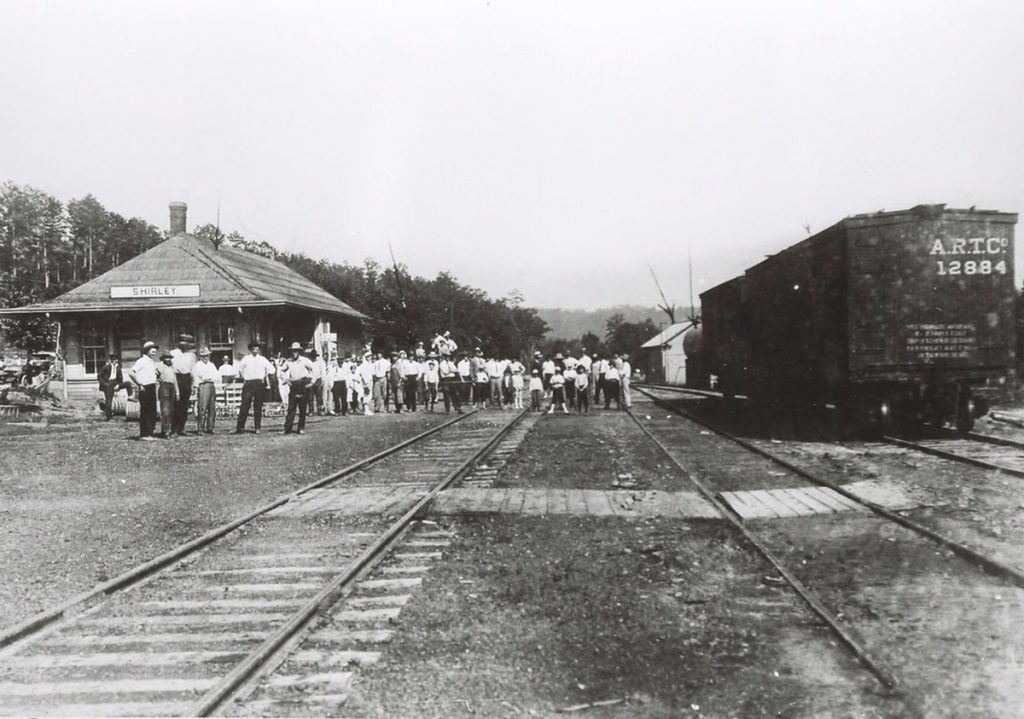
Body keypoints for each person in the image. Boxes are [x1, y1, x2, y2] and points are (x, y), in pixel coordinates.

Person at [235, 341, 275, 434]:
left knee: (258, 406)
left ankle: (257, 427)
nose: (255, 350)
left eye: (257, 348)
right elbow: (239, 368)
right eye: (253, 348)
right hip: (248, 383)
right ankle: (240, 427)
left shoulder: (262, 359)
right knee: (244, 405)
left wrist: (265, 375)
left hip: (259, 383)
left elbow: (272, 369)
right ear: (250, 349)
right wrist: (243, 377)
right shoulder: (246, 359)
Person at [128, 342, 160, 440]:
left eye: (155, 349)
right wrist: (140, 384)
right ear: (146, 350)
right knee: (146, 411)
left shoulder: (151, 361)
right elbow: (131, 373)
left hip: (152, 387)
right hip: (145, 387)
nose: (154, 351)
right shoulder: (141, 361)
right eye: (152, 349)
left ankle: (150, 433)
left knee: (152, 410)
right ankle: (144, 434)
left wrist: (157, 374)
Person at [282, 342, 314, 433]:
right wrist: (286, 380)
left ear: (299, 351)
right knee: (291, 407)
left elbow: (314, 368)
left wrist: (312, 381)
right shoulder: (288, 361)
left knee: (302, 408)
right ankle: (287, 428)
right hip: (294, 385)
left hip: (303, 384)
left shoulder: (304, 360)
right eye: (293, 351)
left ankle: (301, 428)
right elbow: (281, 371)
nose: (294, 353)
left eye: (296, 351)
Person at [170, 335, 197, 436]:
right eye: (183, 344)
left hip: (187, 379)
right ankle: (174, 429)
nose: (185, 346)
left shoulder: (192, 355)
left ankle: (181, 428)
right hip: (177, 378)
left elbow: (193, 370)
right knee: (176, 405)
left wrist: (194, 385)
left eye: (187, 344)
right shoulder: (173, 353)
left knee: (185, 406)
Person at [192, 347, 219, 433]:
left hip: (211, 385)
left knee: (212, 408)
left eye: (207, 356)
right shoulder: (198, 365)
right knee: (202, 408)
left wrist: (210, 378)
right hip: (203, 385)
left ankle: (210, 428)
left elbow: (217, 376)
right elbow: (199, 376)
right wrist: (207, 378)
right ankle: (200, 429)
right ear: (201, 357)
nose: (206, 358)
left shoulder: (211, 365)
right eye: (204, 356)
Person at [156, 353, 180, 438]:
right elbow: (157, 382)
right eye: (166, 358)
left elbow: (175, 381)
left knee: (172, 411)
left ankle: (168, 430)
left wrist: (177, 392)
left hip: (172, 388)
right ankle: (166, 431)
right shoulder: (160, 368)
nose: (168, 359)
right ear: (163, 359)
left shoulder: (173, 368)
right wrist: (157, 395)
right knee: (165, 410)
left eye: (169, 358)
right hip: (164, 388)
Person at [97, 354, 124, 421]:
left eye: (117, 360)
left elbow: (120, 378)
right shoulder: (106, 367)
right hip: (108, 383)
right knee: (109, 400)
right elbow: (99, 377)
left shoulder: (118, 368)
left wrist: (118, 384)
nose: (116, 361)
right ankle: (108, 416)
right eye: (115, 360)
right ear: (112, 361)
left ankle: (131, 398)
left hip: (115, 383)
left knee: (128, 384)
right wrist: (105, 384)